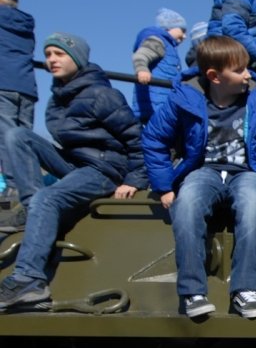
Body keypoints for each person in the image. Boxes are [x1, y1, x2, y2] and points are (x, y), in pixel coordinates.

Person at [141, 36, 256, 319]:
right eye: (239, 70)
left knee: (253, 206)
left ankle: (245, 291)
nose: (247, 74)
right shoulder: (183, 99)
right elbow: (154, 139)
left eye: (247, 67)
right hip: (203, 171)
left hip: (250, 171)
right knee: (186, 206)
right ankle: (192, 292)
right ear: (214, 76)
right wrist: (163, 186)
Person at [0, 32, 148, 310]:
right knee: (18, 136)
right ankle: (33, 209)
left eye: (59, 54)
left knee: (49, 198)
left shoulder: (102, 94)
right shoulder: (60, 95)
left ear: (77, 58)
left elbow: (137, 139)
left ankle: (29, 280)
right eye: (48, 55)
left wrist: (134, 180)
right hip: (75, 162)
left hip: (103, 168)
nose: (51, 60)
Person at [0, 0, 36, 207]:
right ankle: (31, 186)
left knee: (6, 139)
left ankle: (14, 189)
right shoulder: (25, 24)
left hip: (2, 83)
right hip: (26, 86)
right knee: (24, 140)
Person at [131, 7, 187, 123]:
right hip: (155, 102)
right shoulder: (157, 41)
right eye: (182, 30)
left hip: (163, 102)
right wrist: (142, 70)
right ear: (169, 27)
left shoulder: (170, 47)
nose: (185, 36)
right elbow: (140, 56)